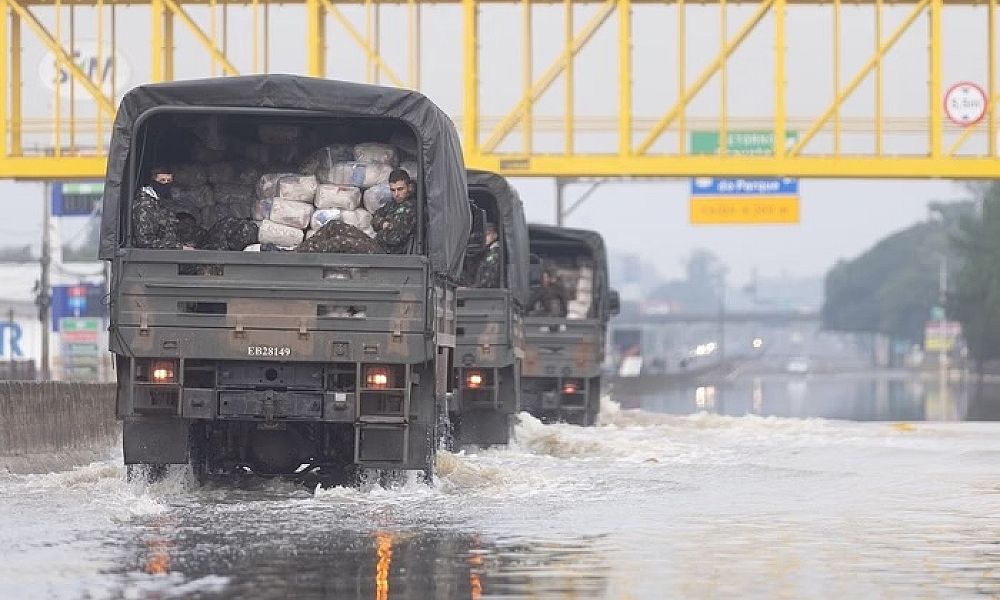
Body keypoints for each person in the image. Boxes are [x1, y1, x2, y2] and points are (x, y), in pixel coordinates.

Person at [132, 167, 192, 250]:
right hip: (152, 257)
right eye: (162, 180)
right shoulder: (144, 204)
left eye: (169, 181)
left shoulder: (162, 200)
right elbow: (145, 241)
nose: (166, 184)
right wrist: (179, 247)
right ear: (153, 181)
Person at [371, 169, 417, 254]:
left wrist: (380, 233)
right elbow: (375, 216)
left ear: (409, 187)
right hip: (379, 250)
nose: (396, 194)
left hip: (390, 254)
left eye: (400, 189)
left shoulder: (410, 207)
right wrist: (382, 223)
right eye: (393, 190)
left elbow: (393, 237)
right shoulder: (393, 204)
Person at [469, 222, 502, 288]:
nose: (485, 237)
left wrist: (472, 288)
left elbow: (489, 277)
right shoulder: (489, 251)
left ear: (495, 235)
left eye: (488, 234)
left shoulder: (495, 253)